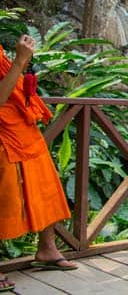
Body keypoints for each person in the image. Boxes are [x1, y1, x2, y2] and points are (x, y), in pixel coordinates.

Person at [0, 35, 77, 292]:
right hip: (4, 135)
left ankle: (47, 249)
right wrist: (21, 60)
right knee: (5, 198)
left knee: (45, 187)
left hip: (23, 129)